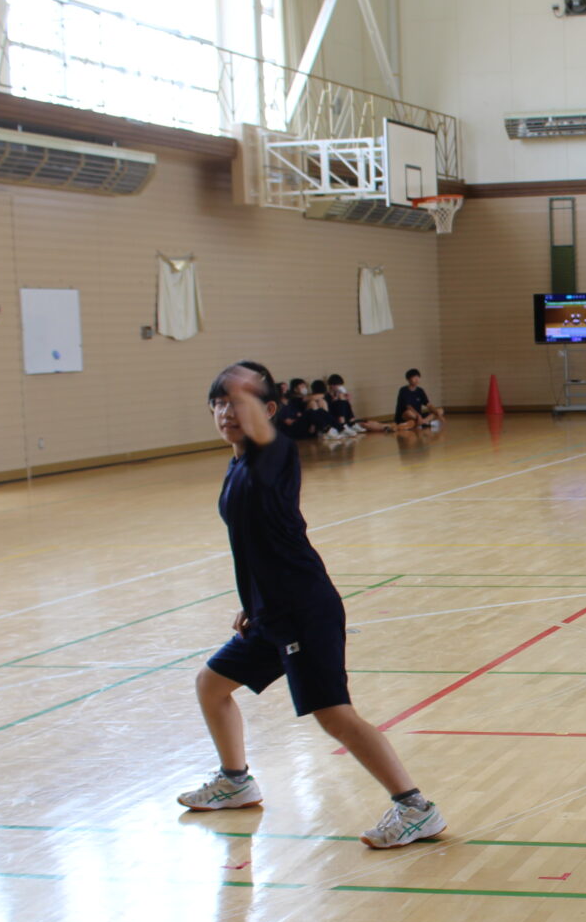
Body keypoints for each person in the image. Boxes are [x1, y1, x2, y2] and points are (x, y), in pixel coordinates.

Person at [176, 361, 447, 848]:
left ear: (270, 410)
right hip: (269, 614)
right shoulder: (237, 463)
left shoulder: (273, 452)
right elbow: (258, 541)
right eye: (218, 403)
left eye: (238, 402)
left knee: (333, 714)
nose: (225, 412)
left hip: (304, 609)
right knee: (212, 685)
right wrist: (251, 603)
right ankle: (235, 781)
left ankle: (415, 808)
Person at [325, 373, 396, 434]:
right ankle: (387, 428)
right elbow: (330, 410)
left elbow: (348, 409)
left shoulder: (341, 395)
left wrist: (347, 400)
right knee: (364, 424)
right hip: (340, 421)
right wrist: (338, 399)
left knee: (368, 422)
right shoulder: (327, 397)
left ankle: (391, 426)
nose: (340, 388)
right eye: (338, 385)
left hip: (350, 420)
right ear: (332, 385)